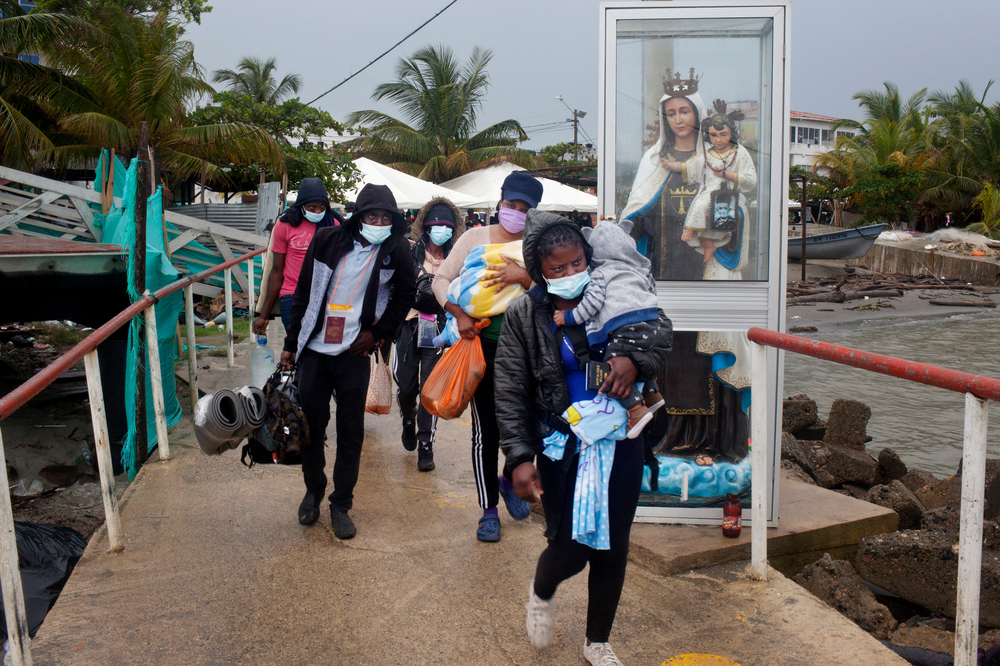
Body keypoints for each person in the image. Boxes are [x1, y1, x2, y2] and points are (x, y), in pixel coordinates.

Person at [495, 211, 671, 666]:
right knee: (569, 549)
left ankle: (598, 641)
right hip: (563, 447)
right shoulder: (524, 314)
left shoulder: (613, 287)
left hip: (622, 440)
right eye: (558, 268)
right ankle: (542, 589)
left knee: (614, 546)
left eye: (577, 264)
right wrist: (518, 456)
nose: (571, 274)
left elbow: (659, 330)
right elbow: (511, 387)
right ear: (539, 271)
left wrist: (636, 360)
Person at [281, 183, 415, 539]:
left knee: (351, 431)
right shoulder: (327, 241)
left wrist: (379, 333)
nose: (379, 222)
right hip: (314, 351)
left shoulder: (396, 251)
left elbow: (404, 296)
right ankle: (314, 489)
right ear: (359, 217)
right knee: (312, 426)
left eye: (386, 217)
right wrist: (291, 344)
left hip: (354, 353)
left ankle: (341, 503)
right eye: (372, 215)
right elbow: (303, 293)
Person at [432, 171, 543, 543]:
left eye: (525, 209)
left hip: (524, 353)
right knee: (486, 432)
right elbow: (441, 279)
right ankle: (488, 509)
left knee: (524, 428)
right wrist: (459, 314)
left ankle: (511, 479)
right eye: (511, 205)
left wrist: (523, 277)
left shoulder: (536, 246)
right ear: (500, 202)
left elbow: (553, 292)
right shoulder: (474, 238)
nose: (516, 213)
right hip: (481, 348)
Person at [552, 219, 666, 437]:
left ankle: (635, 409)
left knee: (612, 363)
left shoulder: (600, 274)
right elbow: (653, 294)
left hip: (623, 328)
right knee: (637, 353)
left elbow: (592, 304)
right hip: (650, 321)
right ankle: (652, 394)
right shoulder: (641, 268)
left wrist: (569, 317)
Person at [393, 197, 465, 472]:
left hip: (441, 330)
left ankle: (426, 444)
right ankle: (408, 419)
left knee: (430, 389)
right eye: (436, 224)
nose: (441, 230)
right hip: (409, 325)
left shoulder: (458, 258)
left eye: (446, 225)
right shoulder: (409, 252)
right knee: (407, 386)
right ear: (425, 225)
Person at [620, 72, 707, 281]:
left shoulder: (710, 158)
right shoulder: (654, 159)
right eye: (671, 113)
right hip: (661, 258)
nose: (678, 119)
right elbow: (638, 207)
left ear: (697, 113)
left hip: (703, 254)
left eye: (684, 111)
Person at [253, 178, 342, 335]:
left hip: (326, 296)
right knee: (298, 348)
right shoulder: (285, 225)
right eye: (312, 207)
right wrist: (264, 315)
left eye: (322, 207)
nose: (317, 212)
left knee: (326, 349)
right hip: (292, 296)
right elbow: (276, 271)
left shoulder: (334, 225)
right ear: (301, 205)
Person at [680, 99, 756, 277]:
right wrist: (673, 165)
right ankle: (708, 246)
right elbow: (692, 167)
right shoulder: (707, 153)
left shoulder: (740, 152)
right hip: (708, 195)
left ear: (732, 133)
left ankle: (694, 232)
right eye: (713, 135)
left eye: (723, 134)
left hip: (730, 202)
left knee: (707, 208)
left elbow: (751, 181)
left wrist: (726, 174)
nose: (718, 139)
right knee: (702, 206)